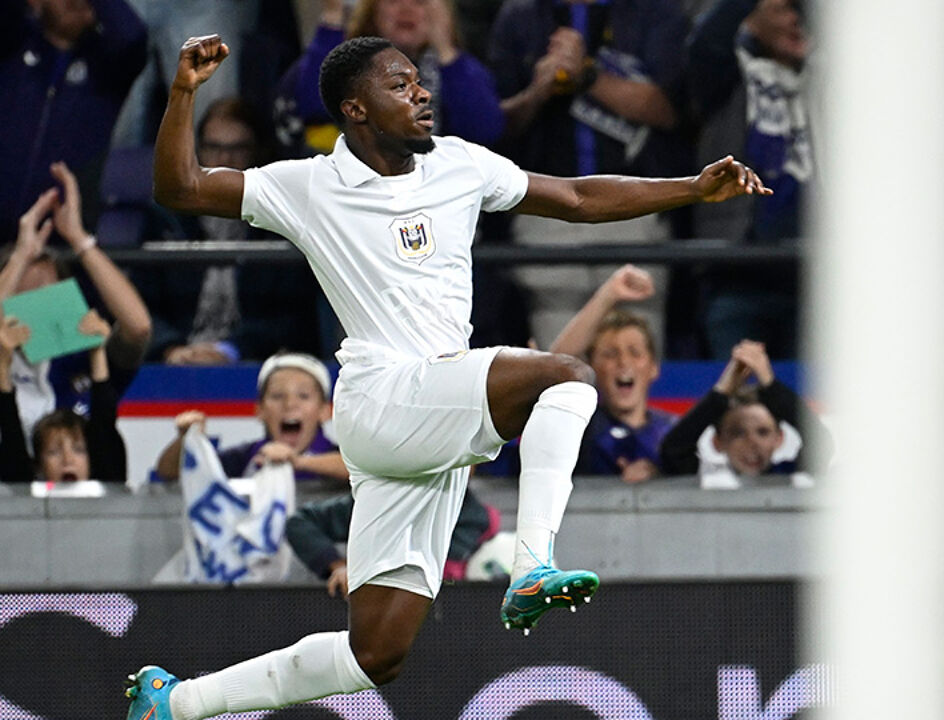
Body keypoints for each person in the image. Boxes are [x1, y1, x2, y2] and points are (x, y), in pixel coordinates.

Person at [123, 33, 768, 719]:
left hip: (430, 425)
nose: (421, 91)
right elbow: (181, 187)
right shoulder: (308, 185)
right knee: (567, 377)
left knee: (375, 653)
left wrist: (690, 188)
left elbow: (577, 197)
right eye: (399, 84)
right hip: (386, 395)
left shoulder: (459, 164)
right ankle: (531, 565)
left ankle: (180, 703)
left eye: (419, 80)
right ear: (356, 109)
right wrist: (186, 90)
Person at [488, 0, 691, 350]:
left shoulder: (657, 12)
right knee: (559, 368)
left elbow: (672, 112)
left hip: (636, 208)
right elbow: (494, 126)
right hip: (546, 214)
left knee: (633, 356)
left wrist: (586, 75)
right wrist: (539, 90)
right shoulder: (520, 16)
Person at [137, 98, 327, 365]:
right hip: (175, 359)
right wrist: (169, 348)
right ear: (197, 150)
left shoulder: (280, 219)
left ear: (258, 151)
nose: (224, 159)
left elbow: (293, 317)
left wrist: (230, 351)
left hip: (258, 363)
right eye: (213, 147)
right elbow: (141, 302)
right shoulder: (167, 218)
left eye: (237, 148)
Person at [686, 0, 811, 359]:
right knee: (736, 404)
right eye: (787, 9)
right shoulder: (724, 71)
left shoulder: (829, 77)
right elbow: (706, 41)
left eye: (803, 13)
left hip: (816, 272)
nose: (796, 21)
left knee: (812, 407)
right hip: (737, 273)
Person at [0, 162, 152, 447]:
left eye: (50, 293)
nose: (39, 305)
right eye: (27, 292)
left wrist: (79, 239)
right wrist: (21, 256)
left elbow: (139, 327)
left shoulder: (87, 356)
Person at [0, 0, 148, 244]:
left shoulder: (108, 67)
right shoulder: (12, 44)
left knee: (63, 281)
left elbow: (131, 35)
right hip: (1, 243)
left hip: (62, 246)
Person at [276, 0, 505, 157]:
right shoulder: (341, 58)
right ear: (373, 10)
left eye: (420, 1)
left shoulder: (459, 69)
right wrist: (333, 19)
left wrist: (445, 50)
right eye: (393, 0)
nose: (406, 8)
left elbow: (484, 132)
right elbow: (316, 109)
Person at [548, 264, 675, 483]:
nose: (623, 362)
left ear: (653, 367)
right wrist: (609, 294)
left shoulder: (672, 431)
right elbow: (556, 367)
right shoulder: (582, 427)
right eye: (609, 354)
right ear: (592, 369)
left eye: (635, 352)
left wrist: (658, 479)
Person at [151, 353, 348, 485]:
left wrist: (298, 462)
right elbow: (169, 472)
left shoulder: (342, 456)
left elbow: (356, 470)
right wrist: (185, 440)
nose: (290, 404)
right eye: (277, 396)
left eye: (303, 396)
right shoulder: (245, 458)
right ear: (259, 410)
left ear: (325, 411)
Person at [286, 481, 502, 599]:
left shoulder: (479, 520)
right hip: (383, 623)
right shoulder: (378, 503)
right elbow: (300, 522)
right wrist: (339, 566)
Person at [659, 339, 828, 483]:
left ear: (779, 438)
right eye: (737, 433)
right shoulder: (709, 481)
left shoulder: (790, 477)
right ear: (717, 442)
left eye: (763, 432)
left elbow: (821, 444)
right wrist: (722, 390)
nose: (752, 442)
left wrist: (769, 383)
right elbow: (673, 450)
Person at [0, 312, 127, 483]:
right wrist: (2, 365)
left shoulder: (106, 483)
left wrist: (97, 351)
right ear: (38, 466)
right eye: (53, 452)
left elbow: (104, 427)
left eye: (79, 450)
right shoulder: (26, 496)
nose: (68, 460)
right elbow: (10, 435)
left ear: (92, 459)